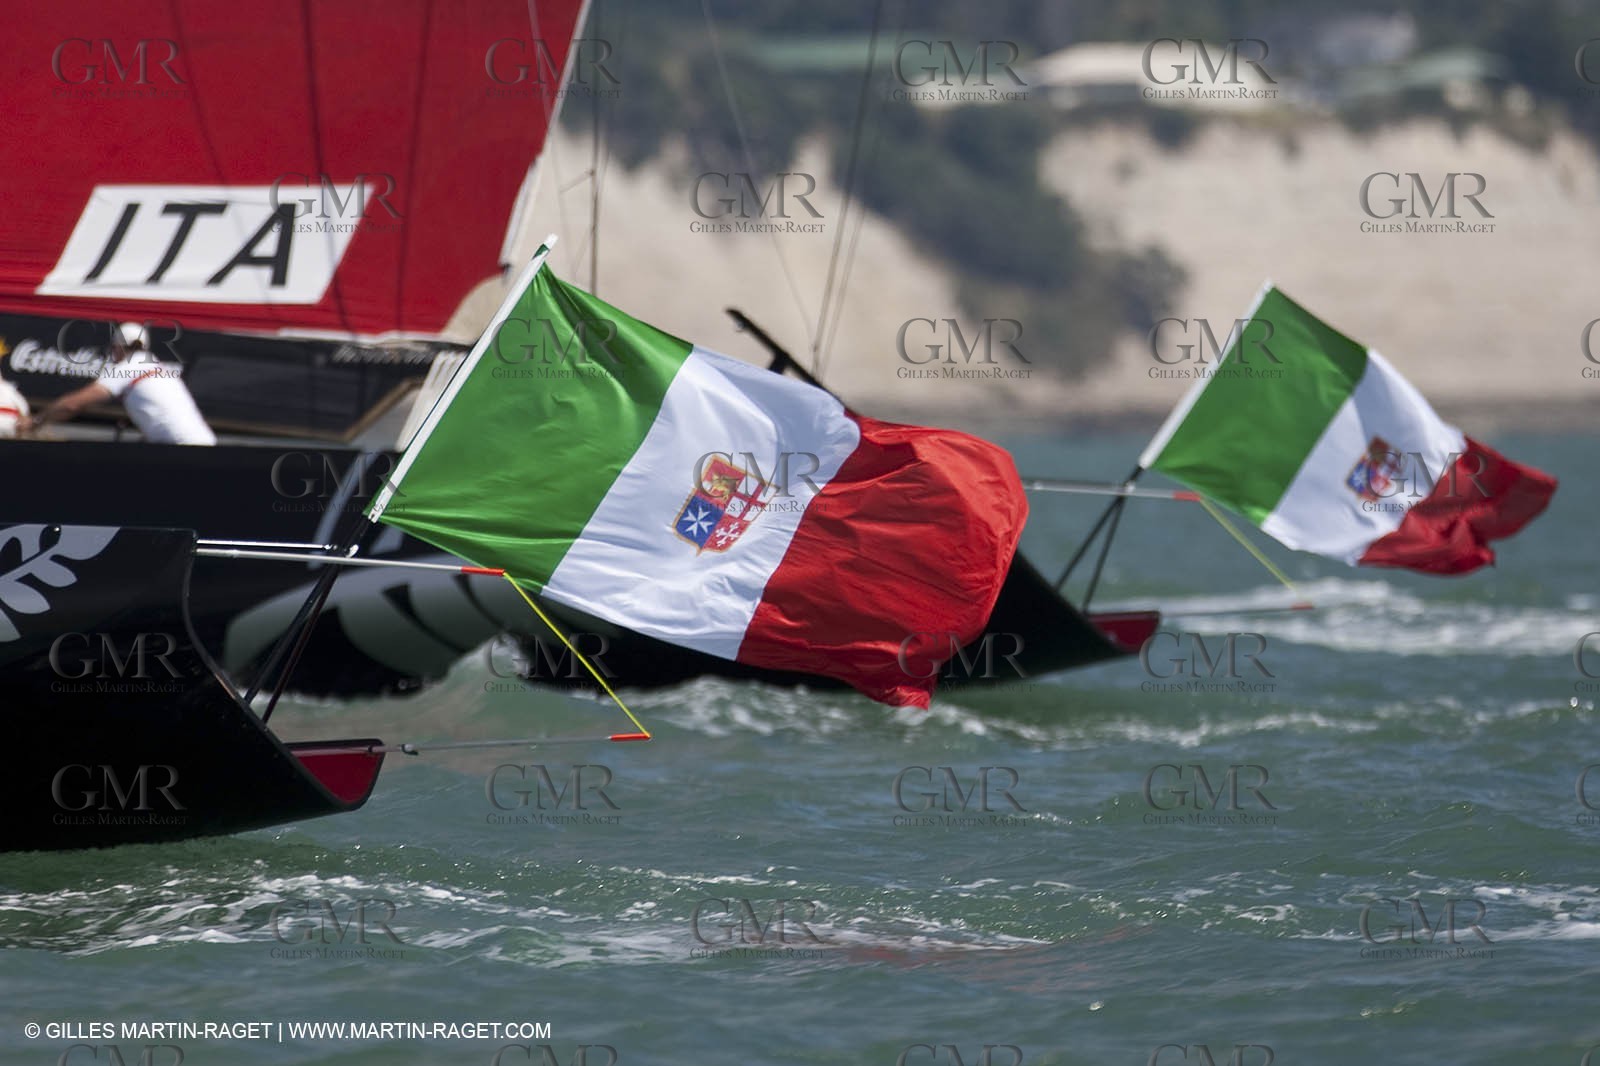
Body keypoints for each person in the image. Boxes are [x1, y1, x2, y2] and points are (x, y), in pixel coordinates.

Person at [28, 322, 216, 445]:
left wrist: (36, 422)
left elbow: (73, 404)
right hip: (205, 445)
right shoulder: (161, 371)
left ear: (117, 348)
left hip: (182, 452)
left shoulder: (129, 367)